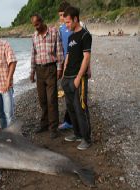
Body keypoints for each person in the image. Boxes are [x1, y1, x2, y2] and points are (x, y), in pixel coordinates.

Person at [62, 6, 92, 150]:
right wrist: (63, 75)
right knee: (71, 108)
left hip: (77, 77)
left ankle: (86, 139)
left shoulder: (85, 35)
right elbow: (68, 56)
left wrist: (79, 77)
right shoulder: (70, 36)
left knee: (81, 108)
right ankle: (77, 133)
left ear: (75, 19)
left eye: (67, 22)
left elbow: (86, 58)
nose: (66, 25)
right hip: (67, 76)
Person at [30, 13, 64, 139]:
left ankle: (53, 127)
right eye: (34, 25)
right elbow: (33, 54)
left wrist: (60, 68)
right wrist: (32, 72)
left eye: (38, 24)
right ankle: (44, 123)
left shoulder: (54, 32)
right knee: (42, 99)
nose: (36, 27)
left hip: (51, 69)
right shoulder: (34, 36)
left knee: (51, 99)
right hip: (39, 70)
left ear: (42, 21)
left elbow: (59, 51)